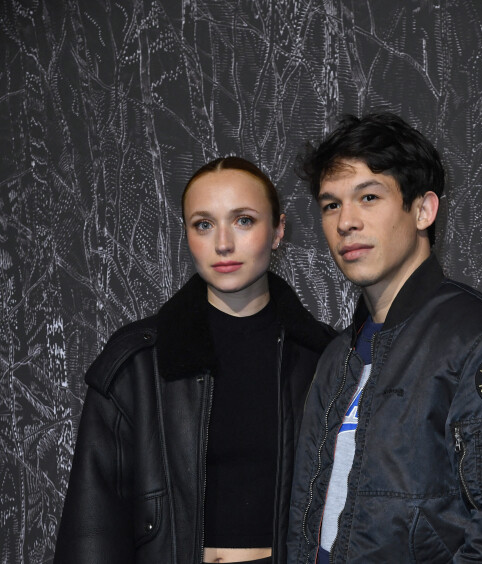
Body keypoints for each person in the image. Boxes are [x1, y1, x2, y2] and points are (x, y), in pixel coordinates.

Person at [287, 112, 482, 563]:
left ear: (423, 210)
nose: (346, 222)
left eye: (368, 197)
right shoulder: (335, 357)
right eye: (331, 205)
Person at [54, 156, 335, 564]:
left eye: (243, 220)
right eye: (203, 224)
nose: (223, 243)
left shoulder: (325, 359)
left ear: (278, 231)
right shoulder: (136, 363)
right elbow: (92, 526)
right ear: (187, 235)